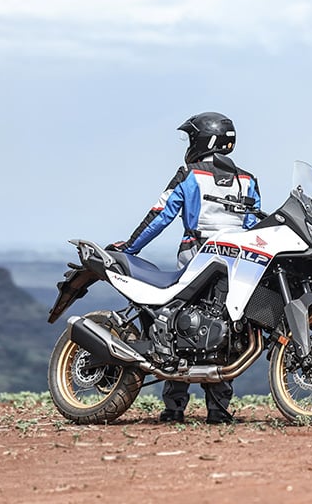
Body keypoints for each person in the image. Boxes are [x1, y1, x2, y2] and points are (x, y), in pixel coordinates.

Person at [111, 111, 261, 424]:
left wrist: (130, 247)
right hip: (235, 263)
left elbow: (161, 215)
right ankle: (218, 410)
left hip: (196, 257)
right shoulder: (248, 180)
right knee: (226, 331)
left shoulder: (189, 174)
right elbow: (252, 225)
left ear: (203, 140)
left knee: (174, 324)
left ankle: (174, 408)